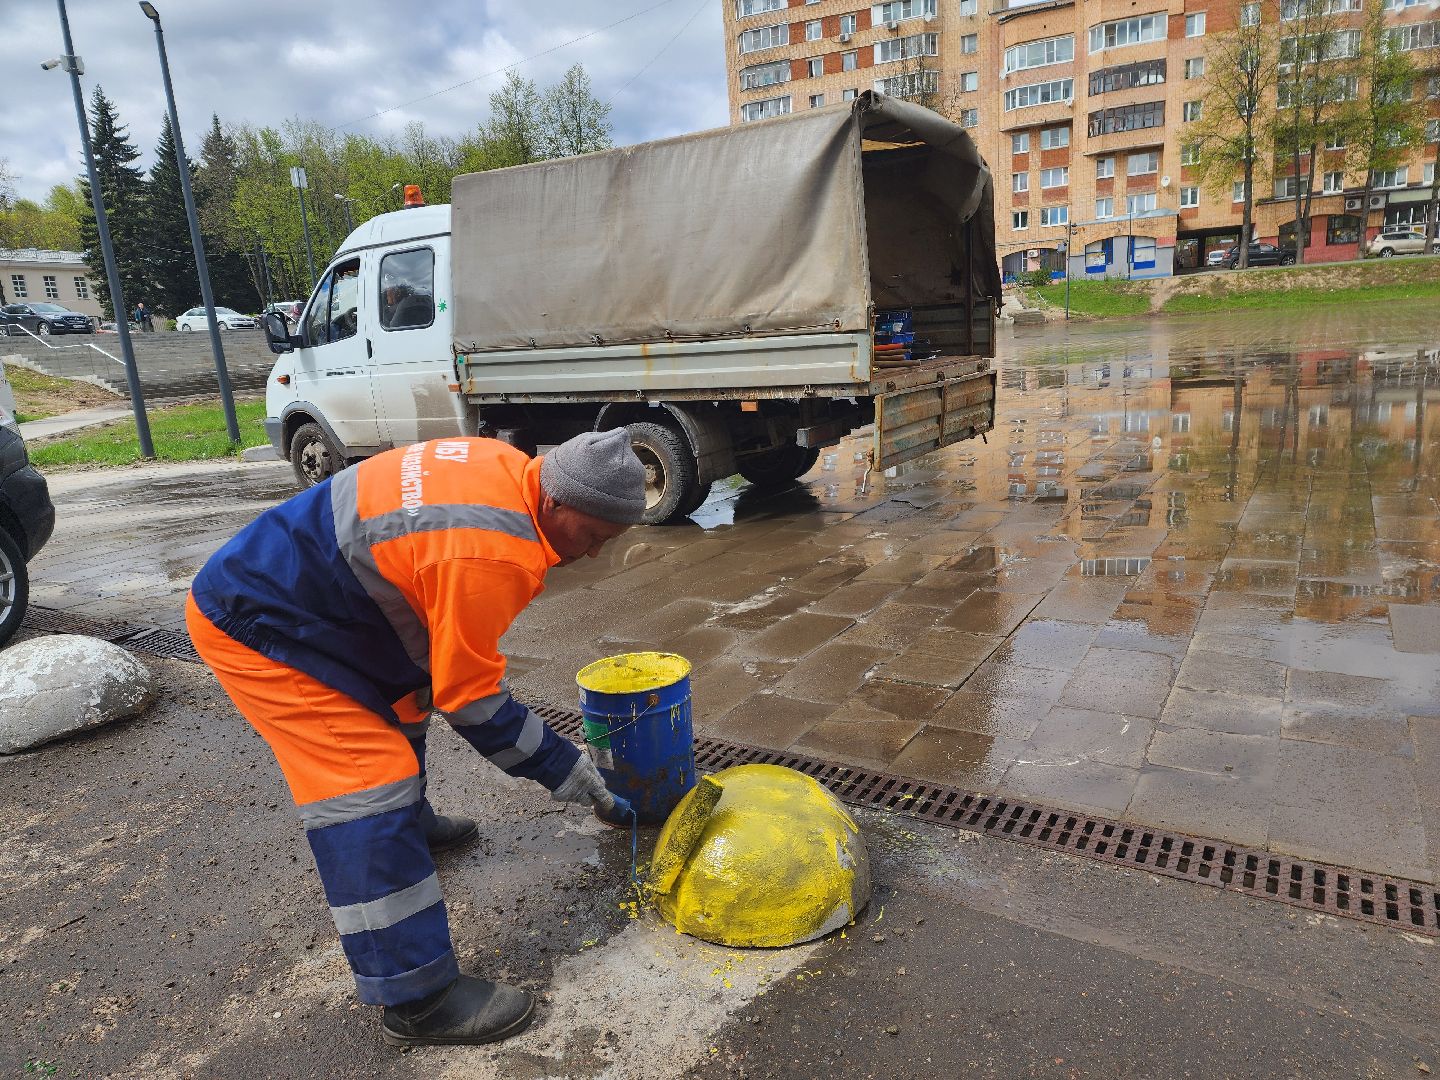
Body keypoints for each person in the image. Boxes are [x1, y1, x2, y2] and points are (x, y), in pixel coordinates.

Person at [186, 430, 646, 1047]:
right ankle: (417, 998)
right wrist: (567, 770)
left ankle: (413, 823)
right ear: (559, 503)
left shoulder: (510, 467)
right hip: (261, 624)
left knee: (407, 700)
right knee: (367, 781)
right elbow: (474, 701)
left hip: (315, 599)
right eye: (593, 537)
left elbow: (437, 653)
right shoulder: (494, 549)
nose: (591, 555)